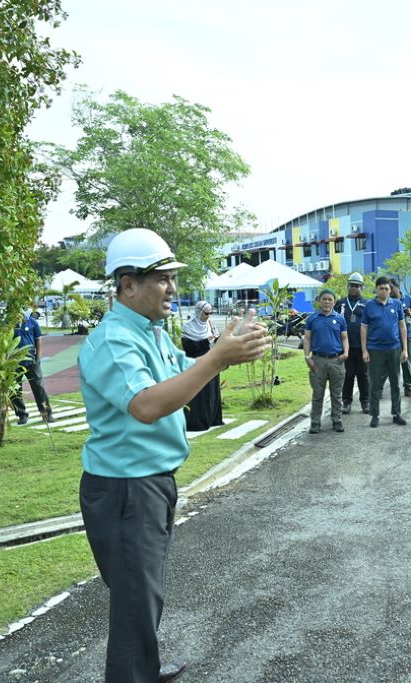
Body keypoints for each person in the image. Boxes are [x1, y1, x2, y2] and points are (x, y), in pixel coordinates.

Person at [78, 228, 270, 682]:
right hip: (125, 488)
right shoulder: (113, 340)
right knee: (134, 601)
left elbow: (176, 373)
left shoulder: (150, 331)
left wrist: (221, 353)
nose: (172, 288)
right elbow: (146, 404)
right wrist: (217, 359)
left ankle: (143, 664)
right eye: (161, 278)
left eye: (172, 277)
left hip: (148, 482)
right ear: (128, 284)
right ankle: (134, 672)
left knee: (143, 595)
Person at [362, 276, 408, 427]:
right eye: (381, 288)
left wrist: (404, 349)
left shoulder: (397, 304)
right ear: (376, 289)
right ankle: (375, 415)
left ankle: (397, 413)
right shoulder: (369, 305)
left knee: (395, 383)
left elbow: (402, 326)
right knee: (375, 384)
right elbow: (364, 328)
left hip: (394, 349)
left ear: (391, 290)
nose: (384, 291)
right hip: (375, 350)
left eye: (387, 288)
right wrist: (364, 350)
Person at [303, 288, 349, 434]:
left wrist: (346, 353)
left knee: (337, 394)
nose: (327, 302)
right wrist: (307, 357)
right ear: (319, 301)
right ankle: (315, 423)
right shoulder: (312, 318)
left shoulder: (340, 319)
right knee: (318, 394)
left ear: (334, 302)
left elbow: (344, 338)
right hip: (317, 361)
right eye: (324, 299)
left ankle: (337, 421)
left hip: (336, 360)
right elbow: (307, 339)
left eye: (330, 299)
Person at [180, 301, 225, 432]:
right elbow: (188, 348)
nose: (208, 316)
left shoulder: (210, 324)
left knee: (212, 391)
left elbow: (215, 340)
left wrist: (217, 339)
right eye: (206, 313)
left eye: (211, 313)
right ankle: (198, 421)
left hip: (211, 362)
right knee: (200, 393)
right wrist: (206, 341)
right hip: (196, 364)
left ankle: (212, 419)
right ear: (199, 312)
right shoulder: (188, 327)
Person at [11, 309, 54, 425]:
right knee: (14, 389)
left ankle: (46, 413)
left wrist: (38, 358)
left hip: (31, 361)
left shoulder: (32, 322)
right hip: (14, 362)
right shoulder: (9, 323)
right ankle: (21, 415)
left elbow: (38, 340)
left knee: (38, 386)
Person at [335, 272, 370, 414]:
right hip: (345, 347)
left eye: (357, 286)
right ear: (347, 286)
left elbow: (371, 325)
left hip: (362, 346)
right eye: (351, 285)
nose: (353, 288)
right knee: (348, 375)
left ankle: (365, 402)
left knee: (363, 375)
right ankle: (347, 402)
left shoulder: (367, 304)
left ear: (361, 287)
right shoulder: (340, 303)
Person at [389, 278, 411, 398]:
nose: (389, 291)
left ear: (397, 287)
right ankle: (380, 388)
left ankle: (408, 387)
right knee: (389, 362)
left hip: (406, 335)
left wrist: (410, 314)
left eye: (391, 288)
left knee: (405, 361)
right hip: (391, 336)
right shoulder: (388, 301)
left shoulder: (408, 299)